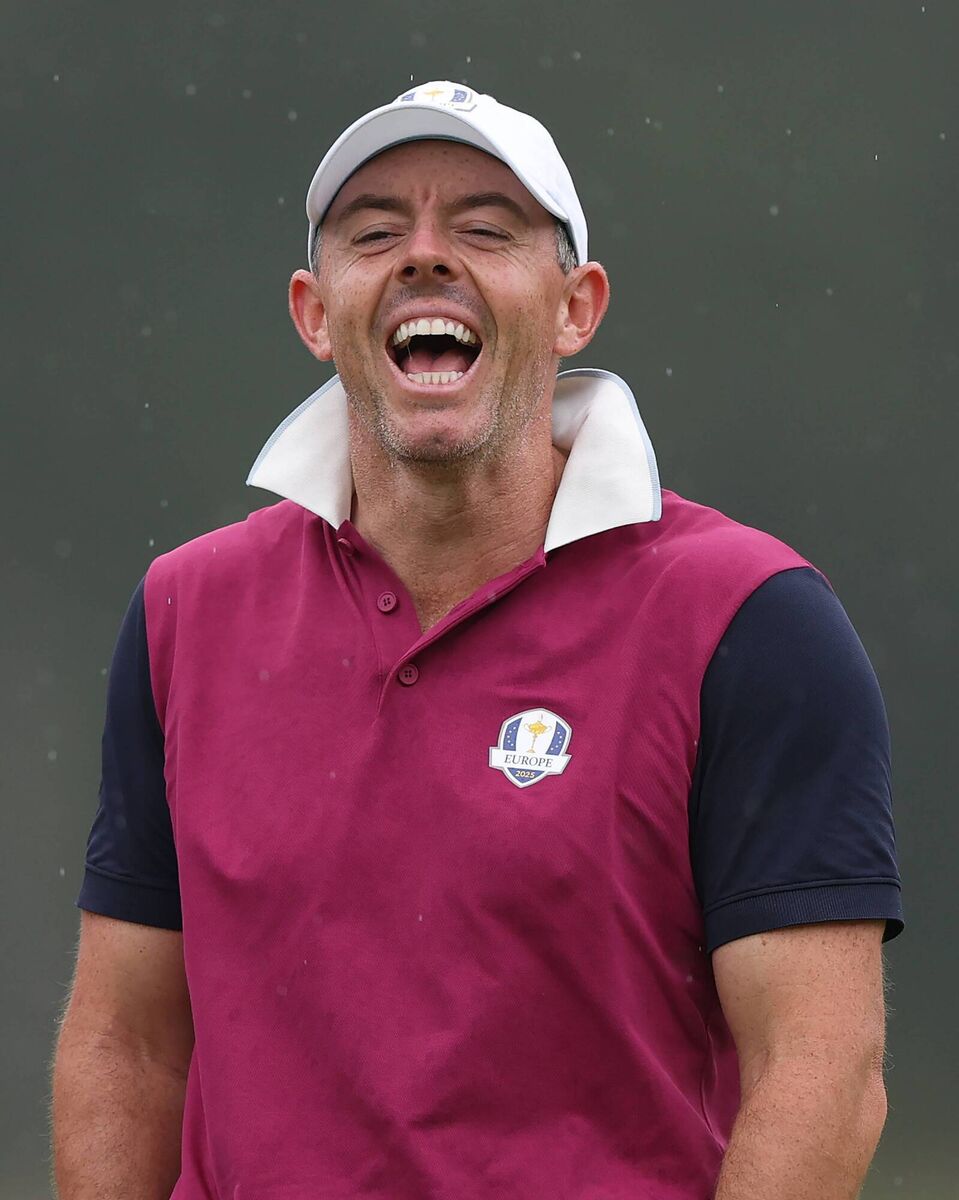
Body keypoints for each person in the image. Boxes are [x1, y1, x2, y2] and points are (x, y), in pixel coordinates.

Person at [52, 81, 902, 1199]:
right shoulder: (184, 613)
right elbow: (128, 1045)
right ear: (314, 312)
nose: (422, 258)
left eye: (485, 231)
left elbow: (820, 1069)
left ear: (574, 306)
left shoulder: (745, 617)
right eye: (374, 234)